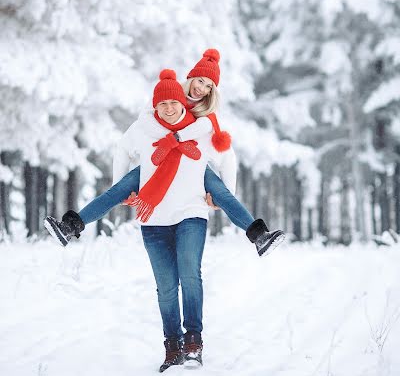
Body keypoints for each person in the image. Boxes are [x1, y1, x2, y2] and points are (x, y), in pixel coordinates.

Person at [44, 50, 285, 257]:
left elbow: (226, 155)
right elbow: (143, 123)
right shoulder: (167, 96)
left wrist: (225, 191)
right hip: (159, 161)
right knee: (116, 191)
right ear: (190, 77)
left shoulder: (206, 118)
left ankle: (259, 237)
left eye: (208, 86)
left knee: (222, 193)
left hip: (192, 162)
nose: (202, 89)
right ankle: (68, 228)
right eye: (200, 81)